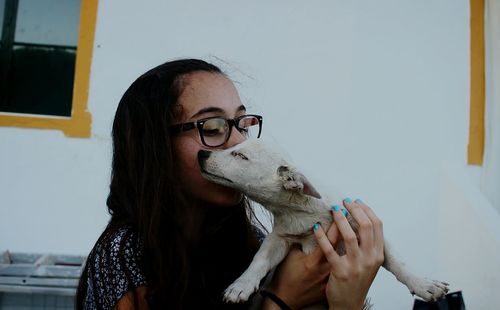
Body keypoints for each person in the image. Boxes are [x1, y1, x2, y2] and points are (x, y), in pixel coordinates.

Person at [76, 58, 384, 310]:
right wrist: (280, 299)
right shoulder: (124, 257)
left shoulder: (251, 240)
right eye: (213, 126)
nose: (238, 142)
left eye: (242, 124)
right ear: (155, 147)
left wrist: (347, 302)